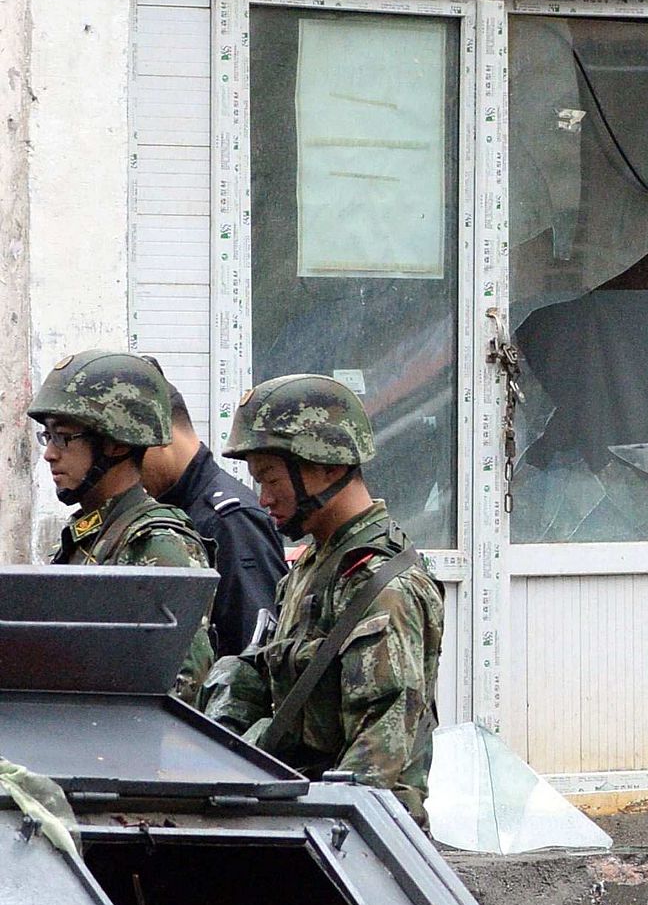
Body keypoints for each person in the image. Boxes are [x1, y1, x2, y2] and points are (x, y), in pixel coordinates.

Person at [198, 374, 443, 825]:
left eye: (271, 479)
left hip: (353, 840)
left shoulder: (383, 585)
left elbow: (375, 761)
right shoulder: (315, 564)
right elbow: (266, 676)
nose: (264, 497)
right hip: (302, 818)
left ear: (328, 467)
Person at [27, 349, 215, 700]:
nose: (50, 453)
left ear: (114, 444)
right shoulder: (88, 534)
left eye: (63, 437)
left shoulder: (157, 543)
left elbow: (178, 690)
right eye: (47, 436)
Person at [140, 373, 288, 658]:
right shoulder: (175, 512)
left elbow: (255, 652)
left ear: (161, 435)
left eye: (133, 452)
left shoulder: (229, 521)